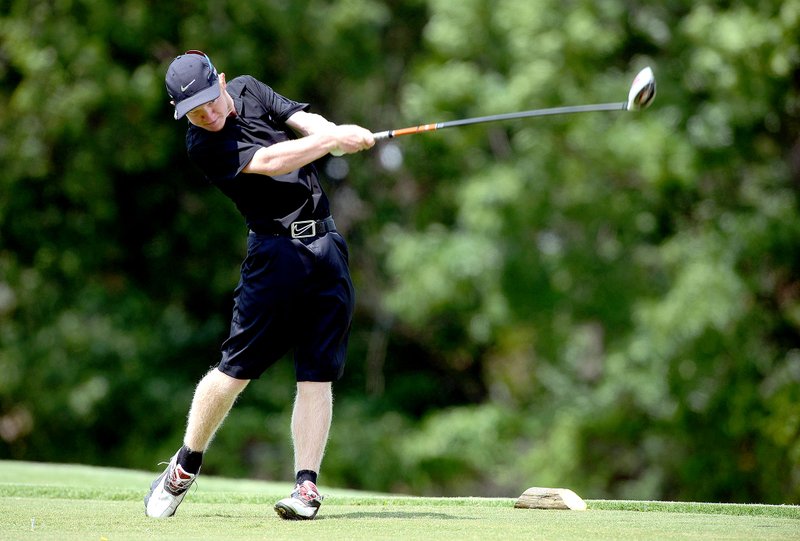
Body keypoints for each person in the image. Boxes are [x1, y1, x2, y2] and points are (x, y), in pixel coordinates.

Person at [144, 50, 374, 521]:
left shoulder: (249, 88)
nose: (206, 115)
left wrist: (332, 133)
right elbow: (270, 160)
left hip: (326, 245)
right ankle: (185, 464)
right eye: (193, 112)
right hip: (275, 257)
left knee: (317, 373)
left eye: (209, 101)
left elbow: (301, 119)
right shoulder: (202, 146)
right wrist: (334, 140)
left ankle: (306, 487)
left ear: (222, 82)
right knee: (234, 372)